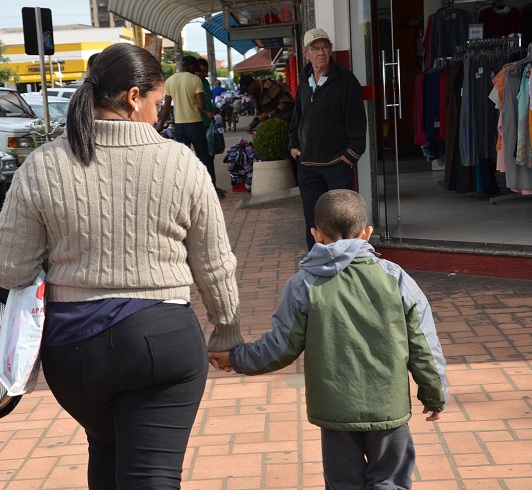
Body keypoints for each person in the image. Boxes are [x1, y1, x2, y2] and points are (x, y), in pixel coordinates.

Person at [0, 43, 244, 489]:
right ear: (133, 97)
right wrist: (225, 329)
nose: (159, 114)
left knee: (106, 448)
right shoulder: (181, 162)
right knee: (152, 476)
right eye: (158, 103)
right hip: (161, 342)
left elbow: (7, 270)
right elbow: (213, 262)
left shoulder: (45, 163)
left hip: (72, 353)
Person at [209, 189, 448, 490]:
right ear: (367, 233)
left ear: (315, 234)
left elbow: (281, 347)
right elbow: (424, 345)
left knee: (342, 484)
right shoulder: (396, 278)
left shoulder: (303, 284)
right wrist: (434, 393)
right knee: (390, 482)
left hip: (335, 412)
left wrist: (236, 357)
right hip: (388, 409)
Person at [290, 28, 367, 250]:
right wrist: (294, 146)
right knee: (313, 221)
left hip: (337, 164)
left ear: (330, 49)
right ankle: (316, 261)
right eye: (315, 49)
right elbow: (298, 115)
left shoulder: (345, 80)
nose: (320, 53)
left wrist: (351, 156)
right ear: (306, 53)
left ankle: (345, 261)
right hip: (308, 164)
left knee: (340, 220)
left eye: (324, 47)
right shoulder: (304, 79)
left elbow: (357, 121)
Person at [158, 56, 222, 198]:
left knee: (182, 160)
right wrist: (203, 109)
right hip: (195, 124)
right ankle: (211, 190)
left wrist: (160, 125)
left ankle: (185, 193)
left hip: (180, 126)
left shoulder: (170, 81)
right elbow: (200, 106)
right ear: (192, 67)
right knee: (204, 158)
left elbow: (166, 108)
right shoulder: (195, 80)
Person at [197, 58, 226, 198]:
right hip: (200, 124)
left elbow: (208, 101)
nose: (203, 74)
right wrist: (205, 113)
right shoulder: (195, 82)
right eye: (201, 71)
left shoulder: (206, 82)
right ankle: (209, 188)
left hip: (210, 122)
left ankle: (212, 185)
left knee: (211, 154)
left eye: (205, 71)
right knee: (206, 156)